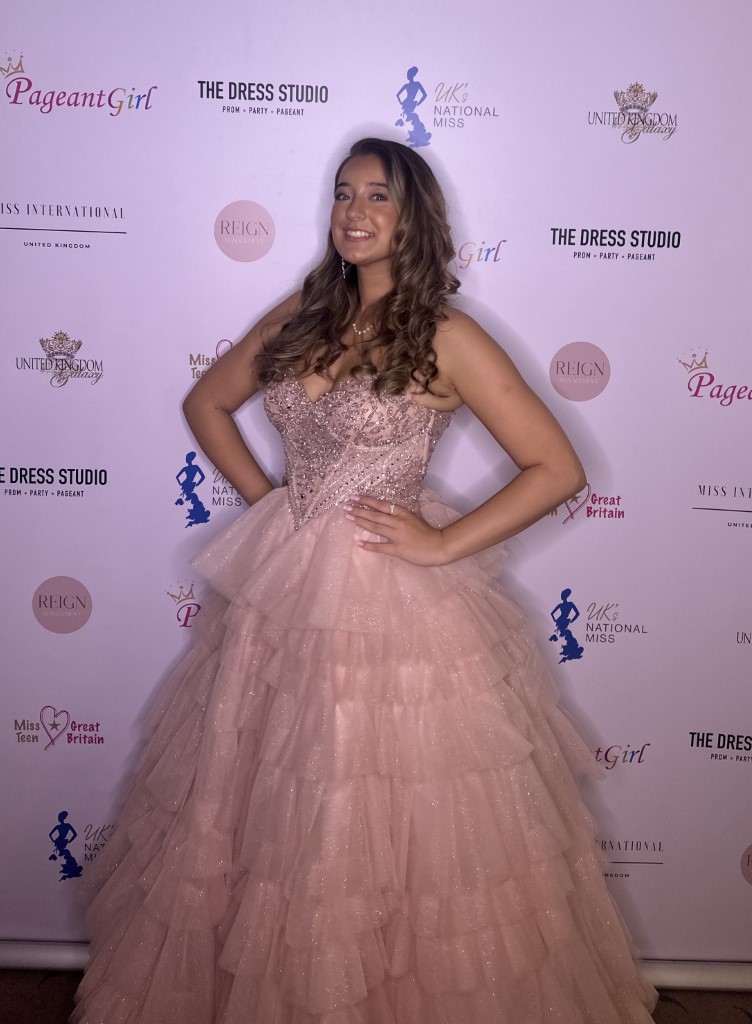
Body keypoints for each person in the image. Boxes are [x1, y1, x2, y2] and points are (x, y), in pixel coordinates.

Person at [74, 138, 657, 1023]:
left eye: (377, 196)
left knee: (375, 805)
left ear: (413, 215)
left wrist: (443, 543)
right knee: (266, 797)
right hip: (283, 593)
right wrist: (274, 504)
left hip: (388, 601)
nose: (354, 211)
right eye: (344, 193)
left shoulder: (447, 334)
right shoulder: (306, 311)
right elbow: (207, 403)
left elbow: (555, 468)